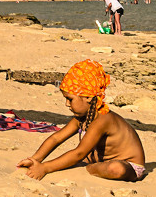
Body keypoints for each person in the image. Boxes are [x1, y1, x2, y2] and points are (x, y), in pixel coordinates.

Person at [17, 59, 147, 182]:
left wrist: (45, 168)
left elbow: (79, 153)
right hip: (101, 160)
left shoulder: (103, 119)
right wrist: (35, 159)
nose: (67, 104)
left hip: (129, 166)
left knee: (116, 168)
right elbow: (56, 138)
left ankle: (89, 168)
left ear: (88, 97)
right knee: (83, 158)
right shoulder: (82, 118)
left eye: (70, 99)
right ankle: (93, 165)